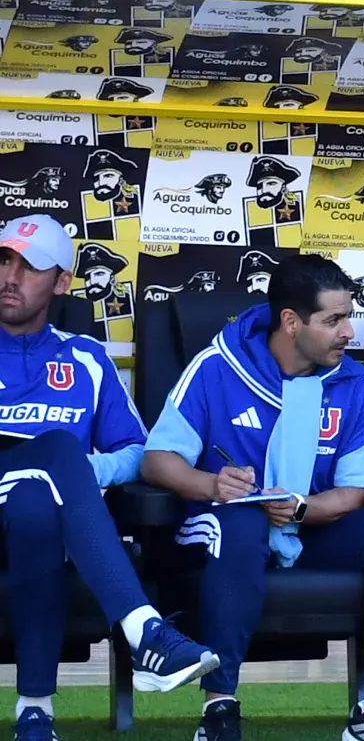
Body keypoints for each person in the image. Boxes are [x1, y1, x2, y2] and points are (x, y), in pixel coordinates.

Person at [140, 256, 364, 741]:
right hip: (224, 525)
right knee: (244, 527)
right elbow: (156, 460)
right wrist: (211, 484)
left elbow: (355, 490)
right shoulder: (218, 366)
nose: (348, 331)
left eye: (349, 316)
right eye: (334, 320)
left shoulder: (356, 384)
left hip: (309, 528)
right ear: (291, 322)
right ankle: (219, 710)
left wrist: (304, 509)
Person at [0, 214, 225, 734]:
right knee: (56, 449)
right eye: (5, 260)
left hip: (42, 522)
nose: (11, 276)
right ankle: (145, 631)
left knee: (39, 499)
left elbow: (135, 451)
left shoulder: (86, 357)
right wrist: (62, 461)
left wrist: (78, 469)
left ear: (60, 283)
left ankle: (35, 712)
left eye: (30, 267)